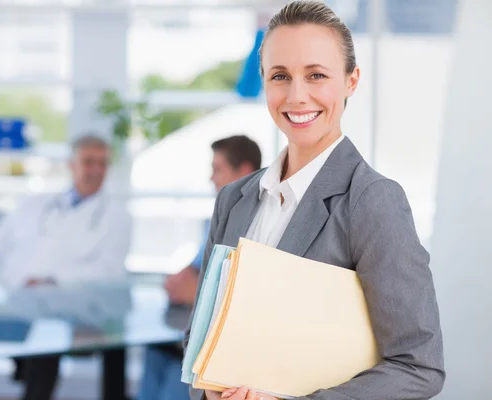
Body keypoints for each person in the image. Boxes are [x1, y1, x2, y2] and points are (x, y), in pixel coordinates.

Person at [185, 2, 445, 400]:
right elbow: (202, 335)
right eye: (280, 76)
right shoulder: (233, 199)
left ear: (351, 81)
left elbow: (419, 366)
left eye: (316, 75)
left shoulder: (372, 202)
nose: (296, 95)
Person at [0, 134, 132, 400]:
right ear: (71, 164)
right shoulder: (34, 204)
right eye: (89, 161)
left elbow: (109, 270)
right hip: (10, 304)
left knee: (46, 344)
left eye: (102, 163)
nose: (96, 170)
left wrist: (52, 280)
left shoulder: (116, 217)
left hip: (64, 311)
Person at [137, 135, 262, 400]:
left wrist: (198, 290)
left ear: (245, 172)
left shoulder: (262, 223)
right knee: (155, 352)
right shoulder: (217, 217)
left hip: (223, 344)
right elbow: (196, 268)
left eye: (218, 169)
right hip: (186, 326)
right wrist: (181, 279)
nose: (211, 179)